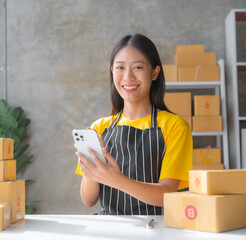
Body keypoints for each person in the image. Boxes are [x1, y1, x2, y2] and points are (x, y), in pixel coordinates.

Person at [75, 34, 192, 215]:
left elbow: (167, 194)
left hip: (155, 228)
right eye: (120, 67)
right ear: (112, 72)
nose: (128, 76)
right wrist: (92, 165)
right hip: (109, 228)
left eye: (138, 67)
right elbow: (88, 200)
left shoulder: (174, 126)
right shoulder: (99, 128)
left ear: (154, 72)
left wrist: (116, 179)